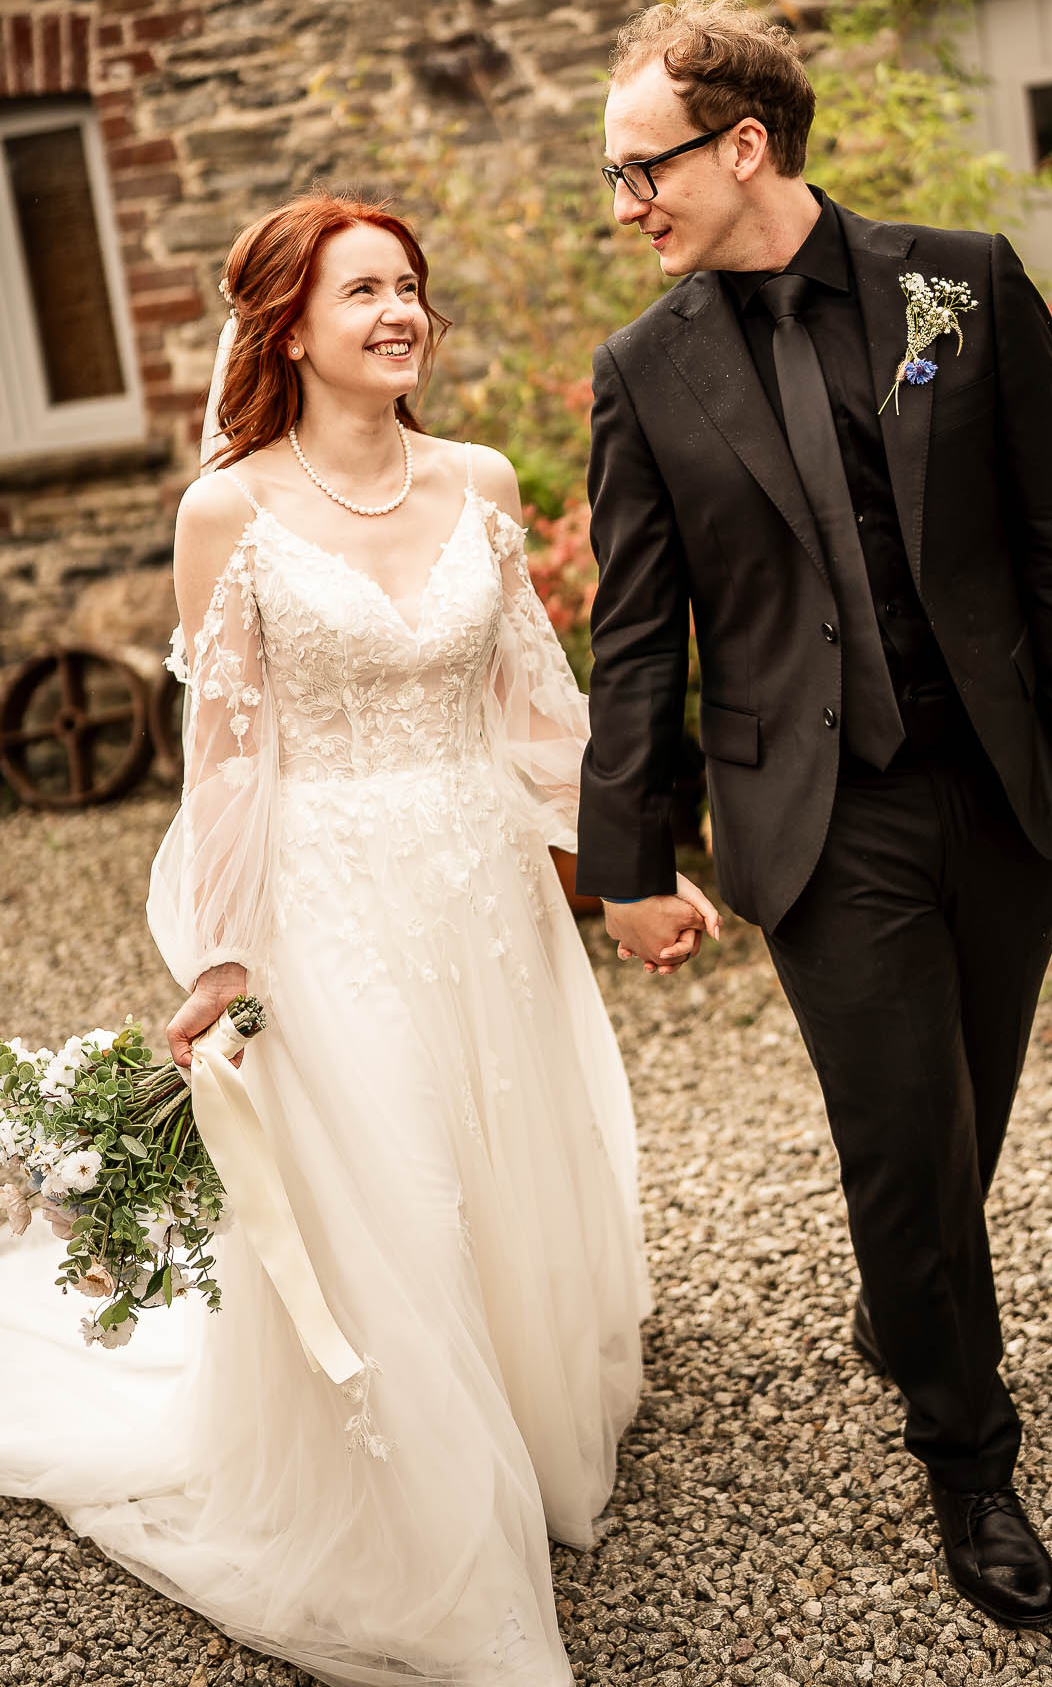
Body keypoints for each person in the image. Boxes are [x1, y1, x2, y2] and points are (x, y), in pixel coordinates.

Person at [0, 191, 667, 1687]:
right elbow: (226, 752)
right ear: (287, 324)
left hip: (481, 895)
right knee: (388, 1190)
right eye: (363, 288)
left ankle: (520, 1414)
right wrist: (223, 953)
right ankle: (432, 1534)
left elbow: (536, 711)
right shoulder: (226, 509)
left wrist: (629, 865)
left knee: (500, 1155)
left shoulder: (481, 482)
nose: (399, 311)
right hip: (327, 902)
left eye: (411, 286)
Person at [575, 0, 1052, 1630]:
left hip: (1005, 780)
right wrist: (631, 855)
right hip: (814, 813)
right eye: (614, 179)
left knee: (967, 1104)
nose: (628, 206)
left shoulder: (959, 284)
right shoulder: (641, 371)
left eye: (640, 169)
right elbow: (633, 632)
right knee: (897, 1133)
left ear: (743, 145)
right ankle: (966, 1458)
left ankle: (913, 1301)